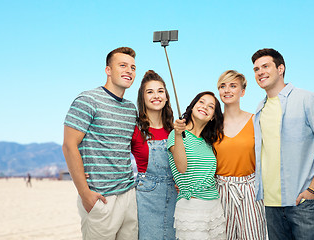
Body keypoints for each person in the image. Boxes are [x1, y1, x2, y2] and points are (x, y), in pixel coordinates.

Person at [251, 48, 314, 240]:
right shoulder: (260, 108)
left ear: (280, 68)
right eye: (256, 69)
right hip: (271, 205)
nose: (260, 72)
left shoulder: (307, 99)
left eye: (265, 66)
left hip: (304, 203)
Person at [62, 47, 138, 240]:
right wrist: (84, 193)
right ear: (108, 70)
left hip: (129, 195)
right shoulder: (88, 100)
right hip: (101, 197)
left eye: (133, 67)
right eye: (122, 65)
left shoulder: (131, 109)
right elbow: (69, 145)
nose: (129, 70)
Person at [213, 70, 267, 239]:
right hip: (220, 191)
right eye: (223, 86)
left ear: (242, 92)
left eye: (233, 86)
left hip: (250, 191)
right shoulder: (211, 125)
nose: (227, 90)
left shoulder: (255, 121)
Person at [167, 91, 226, 240]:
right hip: (191, 208)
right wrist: (178, 134)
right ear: (192, 106)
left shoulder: (208, 143)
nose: (205, 107)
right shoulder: (176, 134)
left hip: (214, 207)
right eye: (201, 102)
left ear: (212, 116)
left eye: (210, 106)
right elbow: (181, 167)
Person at [131, 70, 177, 239]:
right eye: (149, 92)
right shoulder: (135, 129)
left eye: (160, 91)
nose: (156, 96)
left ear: (166, 97)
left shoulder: (175, 130)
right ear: (142, 98)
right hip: (146, 198)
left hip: (176, 196)